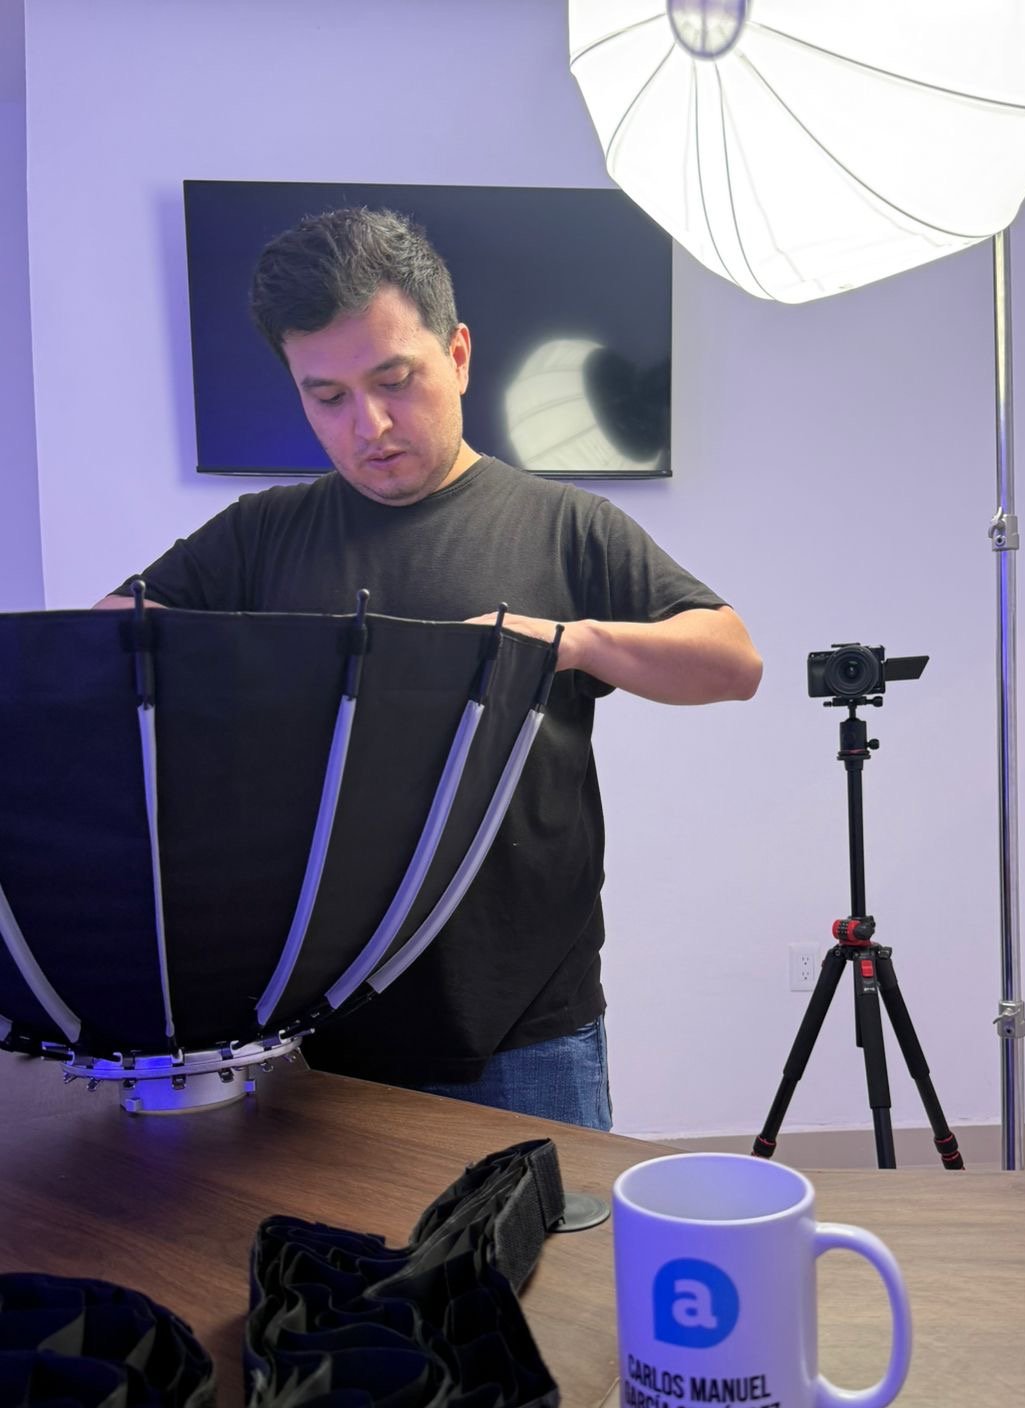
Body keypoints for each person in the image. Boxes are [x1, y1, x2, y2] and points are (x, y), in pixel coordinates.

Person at [96, 207, 761, 1130]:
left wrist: (573, 641)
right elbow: (95, 655)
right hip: (307, 1027)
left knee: (551, 1274)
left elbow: (731, 661)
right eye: (325, 397)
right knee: (335, 1274)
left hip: (523, 1030)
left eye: (394, 379)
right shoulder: (259, 534)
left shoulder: (563, 525)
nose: (368, 425)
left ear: (457, 355)